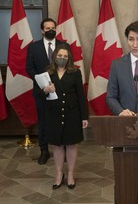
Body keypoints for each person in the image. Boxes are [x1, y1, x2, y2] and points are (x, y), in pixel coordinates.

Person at [41, 44, 88, 189]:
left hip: (72, 113)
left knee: (72, 144)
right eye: (60, 56)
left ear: (69, 58)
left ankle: (71, 174)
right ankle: (59, 174)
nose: (62, 58)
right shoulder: (47, 72)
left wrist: (84, 117)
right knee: (58, 145)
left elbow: (81, 95)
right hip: (53, 113)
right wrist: (46, 90)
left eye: (65, 56)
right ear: (54, 57)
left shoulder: (75, 72)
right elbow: (38, 94)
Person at [26, 18, 70, 165]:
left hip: (61, 91)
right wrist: (42, 83)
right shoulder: (33, 47)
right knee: (43, 122)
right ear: (42, 30)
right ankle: (44, 150)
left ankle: (62, 151)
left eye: (53, 28)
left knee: (62, 121)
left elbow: (69, 66)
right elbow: (30, 68)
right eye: (47, 28)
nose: (51, 30)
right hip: (41, 92)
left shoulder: (64, 46)